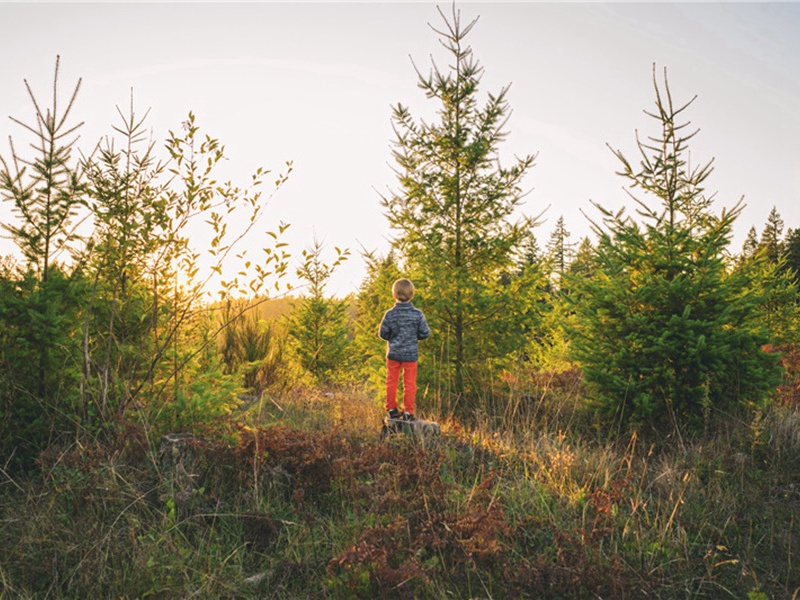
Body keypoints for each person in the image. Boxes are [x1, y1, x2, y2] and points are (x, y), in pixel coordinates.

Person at [379, 278, 430, 421]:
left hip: (394, 353)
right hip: (411, 355)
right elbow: (425, 333)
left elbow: (383, 334)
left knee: (391, 382)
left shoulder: (390, 314)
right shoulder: (417, 314)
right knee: (409, 384)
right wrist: (414, 337)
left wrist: (394, 338)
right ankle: (408, 411)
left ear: (394, 295)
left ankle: (391, 409)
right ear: (412, 295)